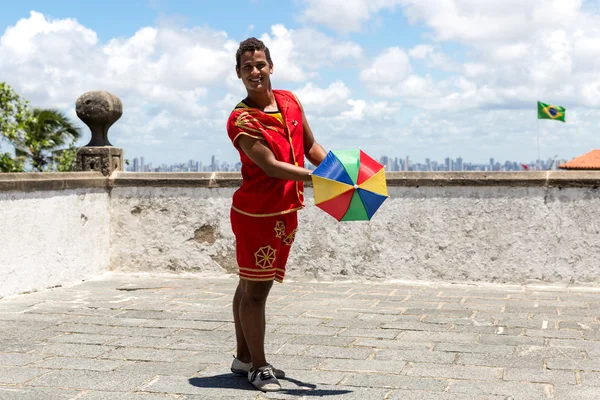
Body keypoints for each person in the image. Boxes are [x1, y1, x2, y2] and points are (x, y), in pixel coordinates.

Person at [226, 37, 327, 392]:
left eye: (260, 64)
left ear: (271, 65)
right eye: (247, 68)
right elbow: (269, 166)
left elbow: (310, 147)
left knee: (248, 283)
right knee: (257, 291)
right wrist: (321, 178)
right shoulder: (241, 119)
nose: (255, 72)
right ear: (238, 74)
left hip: (285, 211)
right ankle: (258, 366)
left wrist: (339, 171)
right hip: (256, 214)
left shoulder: (291, 100)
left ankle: (243, 358)